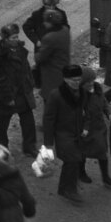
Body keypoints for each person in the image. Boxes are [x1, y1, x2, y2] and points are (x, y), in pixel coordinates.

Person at [42, 65, 91, 204]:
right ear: (65, 79)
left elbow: (87, 111)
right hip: (63, 134)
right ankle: (70, 190)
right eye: (73, 80)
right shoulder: (56, 95)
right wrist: (48, 143)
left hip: (78, 133)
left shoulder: (82, 93)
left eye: (78, 79)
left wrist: (86, 127)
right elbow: (48, 119)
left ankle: (64, 188)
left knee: (73, 161)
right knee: (73, 160)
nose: (76, 82)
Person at [0, 24, 37, 156]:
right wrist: (7, 97)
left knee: (28, 121)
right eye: (13, 37)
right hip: (9, 94)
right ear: (5, 39)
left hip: (23, 92)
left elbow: (26, 69)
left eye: (17, 36)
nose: (16, 39)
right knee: (3, 124)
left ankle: (29, 146)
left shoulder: (20, 50)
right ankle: (2, 149)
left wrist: (30, 83)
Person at [34, 9, 71, 104]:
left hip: (52, 75)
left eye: (45, 21)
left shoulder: (49, 38)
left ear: (50, 23)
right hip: (64, 70)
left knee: (51, 103)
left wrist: (37, 53)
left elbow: (40, 58)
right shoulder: (65, 30)